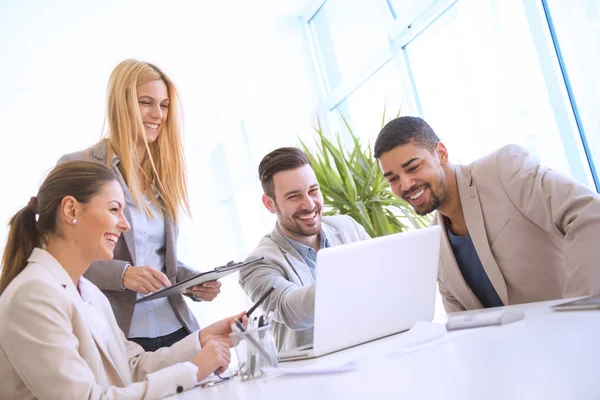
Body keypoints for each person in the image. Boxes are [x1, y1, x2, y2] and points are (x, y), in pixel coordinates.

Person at [0, 161, 244, 399]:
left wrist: (201, 341)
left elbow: (133, 367)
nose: (125, 225)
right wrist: (192, 371)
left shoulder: (89, 293)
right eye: (114, 209)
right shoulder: (32, 296)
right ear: (71, 210)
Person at [58, 59, 221, 351]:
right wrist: (122, 274)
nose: (157, 114)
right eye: (146, 102)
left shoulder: (164, 173)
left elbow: (158, 258)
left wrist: (191, 281)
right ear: (121, 104)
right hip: (117, 334)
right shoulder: (78, 166)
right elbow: (62, 254)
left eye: (164, 105)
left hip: (176, 329)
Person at [374, 116, 600, 312]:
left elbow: (588, 213)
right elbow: (464, 328)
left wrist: (577, 311)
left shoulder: (504, 169)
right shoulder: (435, 246)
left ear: (441, 154)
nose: (405, 184)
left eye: (413, 167)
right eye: (393, 178)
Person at [239, 147, 370, 352]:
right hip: (314, 375)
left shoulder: (348, 228)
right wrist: (353, 274)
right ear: (270, 204)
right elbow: (292, 311)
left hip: (371, 350)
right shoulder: (257, 264)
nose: (309, 204)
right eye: (294, 196)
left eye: (313, 190)